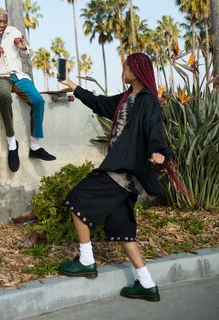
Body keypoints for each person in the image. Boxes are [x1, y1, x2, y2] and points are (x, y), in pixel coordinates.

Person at [57, 52, 172, 303]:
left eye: (127, 67)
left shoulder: (147, 101)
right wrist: (70, 84)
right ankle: (147, 284)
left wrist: (159, 152)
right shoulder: (124, 99)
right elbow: (98, 103)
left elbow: (155, 130)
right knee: (123, 231)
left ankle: (87, 260)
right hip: (124, 173)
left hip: (123, 170)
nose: (123, 71)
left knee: (77, 200)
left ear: (138, 70)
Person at [0, 7, 56, 172]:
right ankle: (12, 144)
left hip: (18, 75)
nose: (2, 25)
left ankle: (35, 146)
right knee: (4, 96)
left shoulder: (13, 32)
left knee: (38, 100)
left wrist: (23, 48)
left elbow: (26, 56)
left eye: (4, 21)